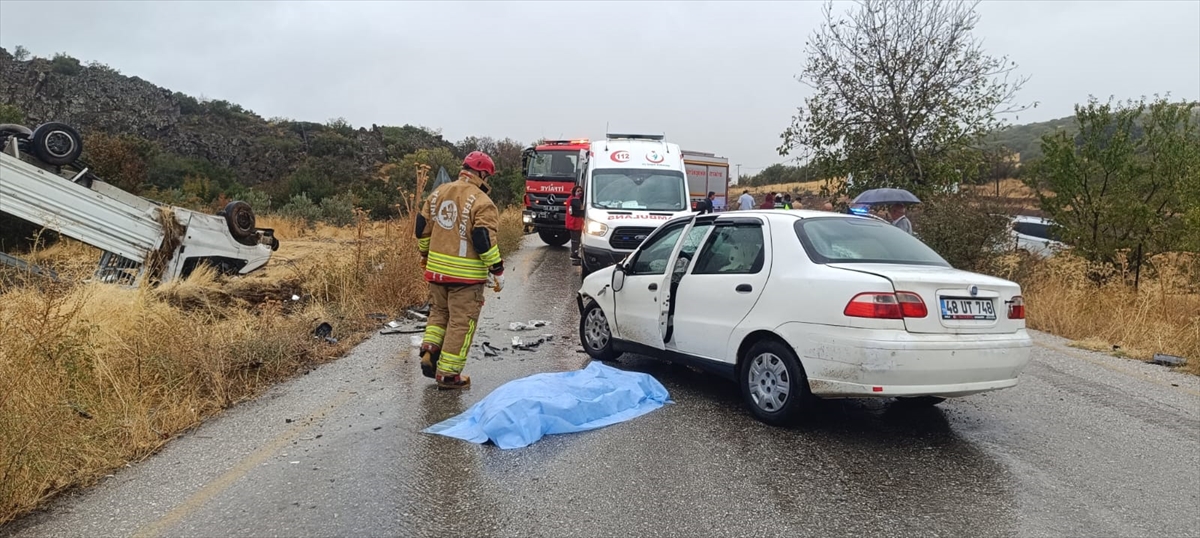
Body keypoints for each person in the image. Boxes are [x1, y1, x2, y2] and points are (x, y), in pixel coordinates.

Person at [415, 151, 505, 390]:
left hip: (436, 272)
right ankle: (448, 375)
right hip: (465, 278)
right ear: (483, 173)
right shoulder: (483, 202)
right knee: (461, 323)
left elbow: (422, 230)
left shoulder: (437, 193)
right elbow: (483, 239)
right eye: (488, 176)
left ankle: (430, 351)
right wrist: (497, 269)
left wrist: (425, 256)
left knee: (438, 315)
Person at [565, 184, 584, 264]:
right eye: (578, 191)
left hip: (576, 223)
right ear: (574, 192)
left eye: (581, 191)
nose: (580, 193)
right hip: (574, 223)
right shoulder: (574, 200)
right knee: (575, 240)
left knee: (576, 240)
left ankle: (575, 253)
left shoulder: (574, 199)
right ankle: (574, 254)